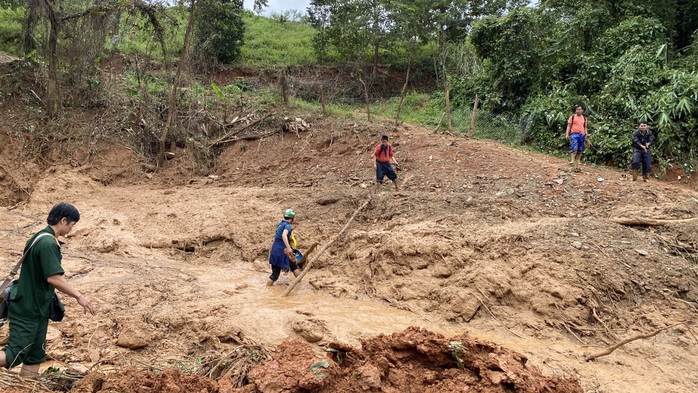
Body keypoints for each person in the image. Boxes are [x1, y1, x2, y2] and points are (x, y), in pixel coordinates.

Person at [0, 203, 95, 376]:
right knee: (15, 353)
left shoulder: (42, 237)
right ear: (63, 220)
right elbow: (53, 277)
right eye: (72, 224)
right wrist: (79, 296)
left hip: (38, 309)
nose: (72, 229)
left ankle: (26, 388)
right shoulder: (47, 243)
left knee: (35, 355)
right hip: (27, 307)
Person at [267, 209, 301, 286]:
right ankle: (300, 285)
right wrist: (288, 248)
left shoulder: (279, 224)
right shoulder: (287, 226)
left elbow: (279, 235)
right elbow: (283, 235)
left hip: (275, 250)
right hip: (283, 251)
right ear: (292, 218)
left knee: (275, 275)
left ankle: (267, 288)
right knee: (294, 267)